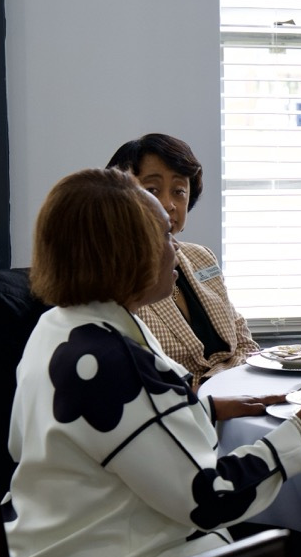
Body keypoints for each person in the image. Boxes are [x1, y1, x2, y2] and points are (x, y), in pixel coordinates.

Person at [5, 168, 301, 557]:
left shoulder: (58, 329)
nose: (175, 251)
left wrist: (205, 407)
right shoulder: (116, 360)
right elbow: (210, 498)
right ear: (127, 251)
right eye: (164, 236)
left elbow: (97, 432)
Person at [107, 133, 259, 383]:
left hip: (239, 391)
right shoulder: (111, 276)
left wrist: (231, 383)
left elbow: (244, 342)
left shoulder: (201, 257)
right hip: (179, 402)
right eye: (152, 190)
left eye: (179, 191)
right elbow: (138, 375)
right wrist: (208, 390)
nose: (168, 204)